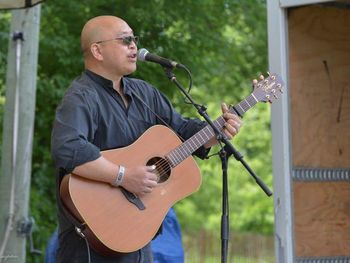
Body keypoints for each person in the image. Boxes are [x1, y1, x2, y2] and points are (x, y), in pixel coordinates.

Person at [51, 15, 242, 263]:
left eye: (134, 39)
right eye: (125, 40)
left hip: (138, 236)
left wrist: (218, 130)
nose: (134, 46)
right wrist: (123, 176)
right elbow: (68, 148)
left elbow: (182, 131)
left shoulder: (144, 93)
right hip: (90, 247)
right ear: (97, 50)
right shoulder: (81, 97)